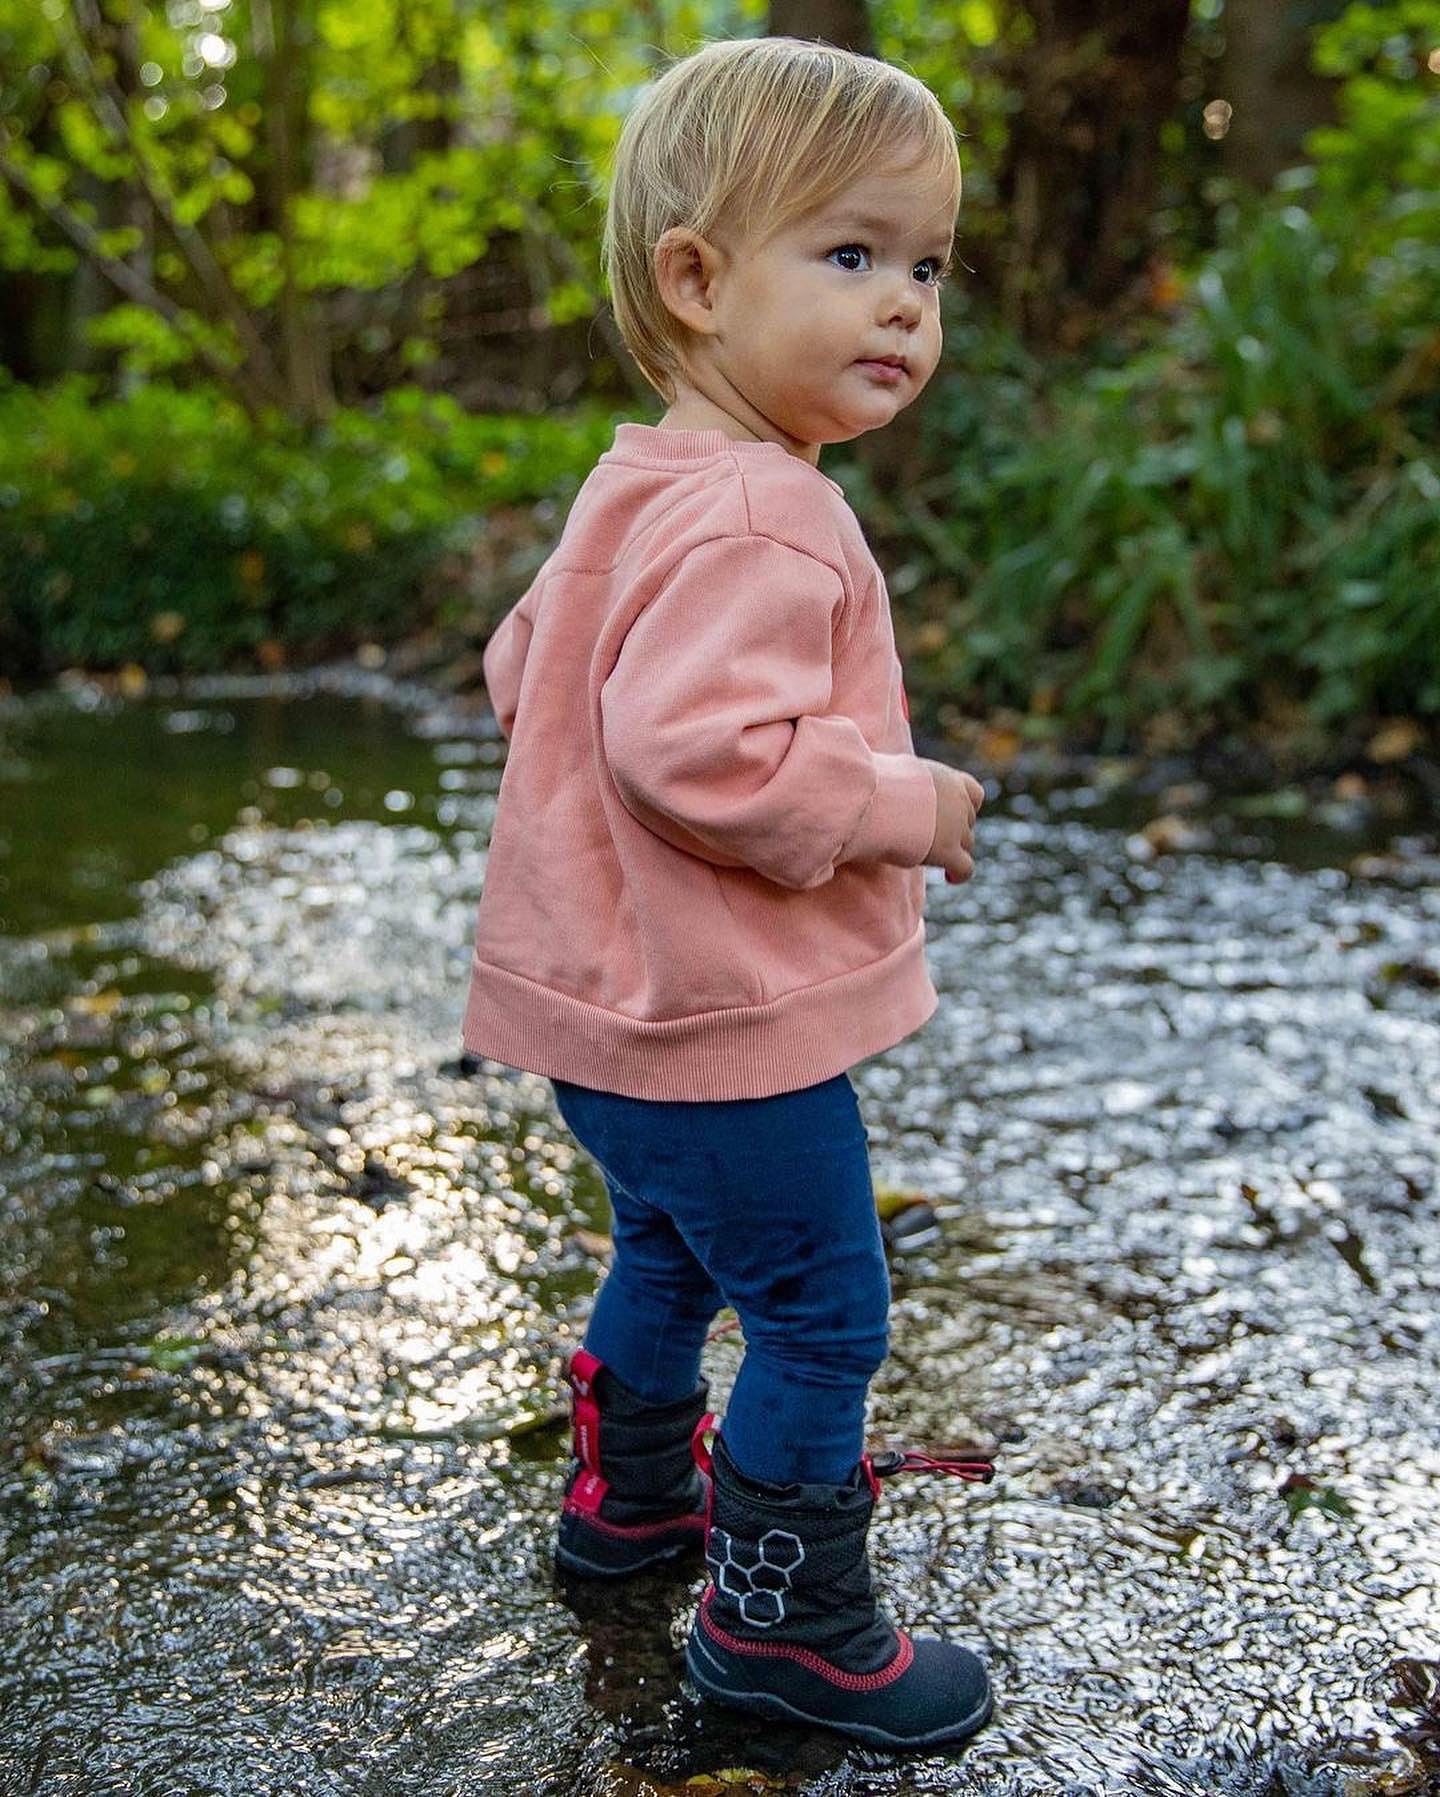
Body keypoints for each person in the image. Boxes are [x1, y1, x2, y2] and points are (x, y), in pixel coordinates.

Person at [461, 34, 993, 1751]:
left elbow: (521, 664)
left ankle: (631, 1510)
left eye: (924, 265)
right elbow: (696, 752)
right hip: (721, 1029)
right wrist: (903, 798)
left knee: (669, 1255)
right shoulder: (772, 512)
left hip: (608, 1022)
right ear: (695, 279)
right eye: (850, 257)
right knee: (826, 1308)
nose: (904, 305)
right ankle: (789, 1629)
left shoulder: (638, 479)